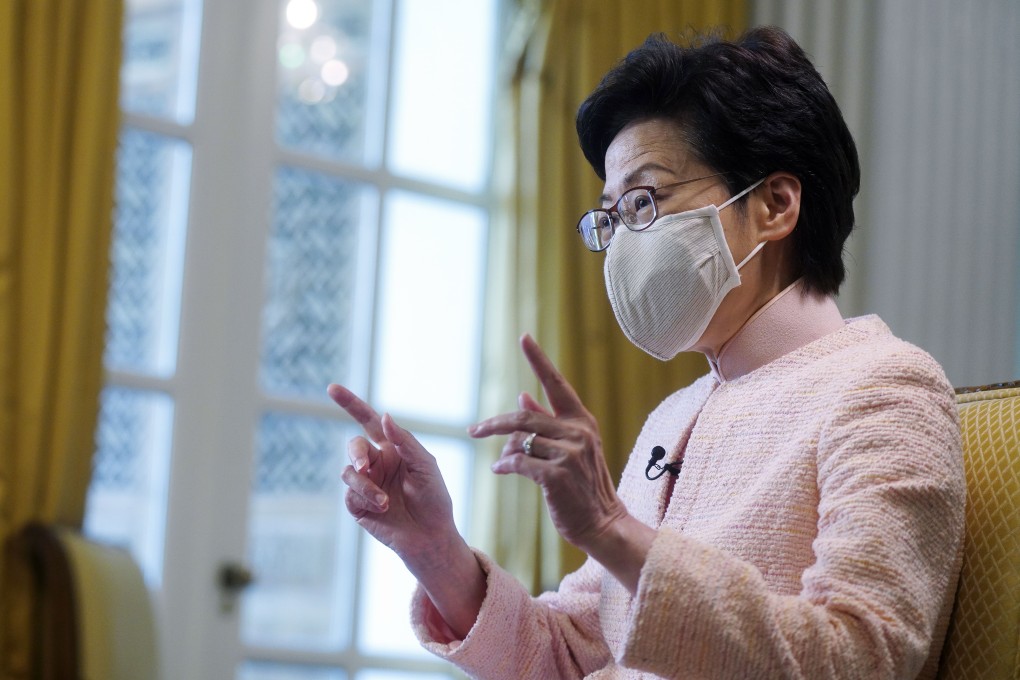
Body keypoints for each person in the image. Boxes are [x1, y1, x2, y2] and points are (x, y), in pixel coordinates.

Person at [329, 26, 964, 679]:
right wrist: (433, 547)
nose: (623, 243)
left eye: (644, 201)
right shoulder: (677, 413)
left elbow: (863, 657)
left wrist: (610, 526)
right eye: (610, 217)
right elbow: (573, 653)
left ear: (775, 204)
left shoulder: (887, 387)